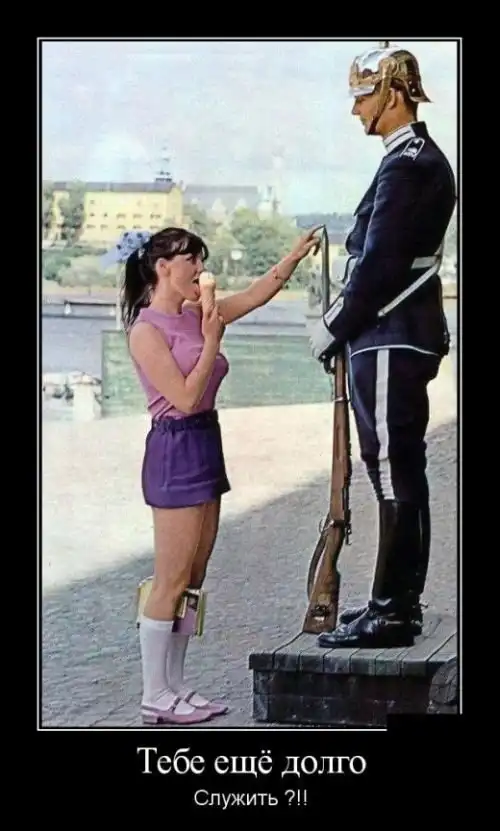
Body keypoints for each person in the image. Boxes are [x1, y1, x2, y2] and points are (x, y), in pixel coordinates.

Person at [101, 224, 320, 724]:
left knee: (194, 578)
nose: (200, 270)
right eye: (191, 261)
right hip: (174, 445)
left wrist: (293, 256)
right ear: (163, 268)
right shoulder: (145, 330)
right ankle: (154, 692)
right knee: (170, 578)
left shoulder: (200, 312)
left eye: (201, 260)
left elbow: (256, 295)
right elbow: (183, 397)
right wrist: (210, 341)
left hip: (205, 441)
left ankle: (175, 684)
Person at [309, 44, 456, 649]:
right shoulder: (409, 160)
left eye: (363, 96)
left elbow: (379, 266)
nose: (356, 110)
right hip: (390, 333)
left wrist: (333, 325)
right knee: (394, 470)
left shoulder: (410, 165)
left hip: (392, 333)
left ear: (393, 93)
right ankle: (393, 604)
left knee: (394, 471)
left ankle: (393, 611)